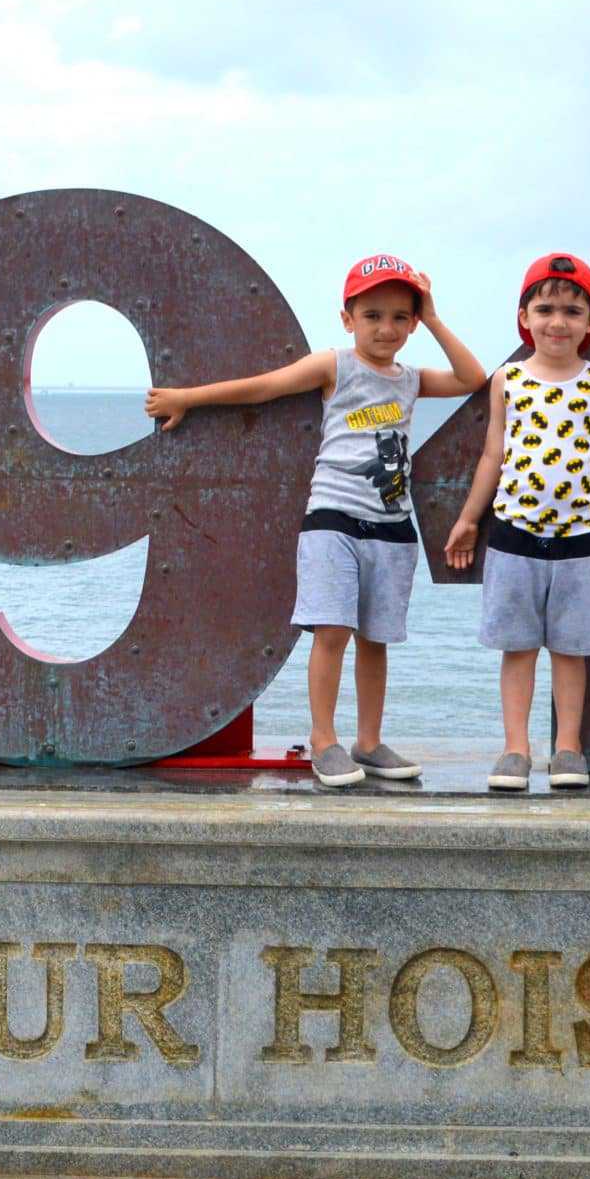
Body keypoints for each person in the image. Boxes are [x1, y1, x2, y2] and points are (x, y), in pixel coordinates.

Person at [144, 255, 486, 788]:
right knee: (333, 632)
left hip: (393, 528)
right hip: (333, 520)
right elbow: (264, 387)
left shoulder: (411, 379)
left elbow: (472, 377)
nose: (386, 328)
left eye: (400, 317)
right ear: (348, 318)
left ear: (414, 323)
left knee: (377, 639)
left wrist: (436, 317)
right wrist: (188, 398)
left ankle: (369, 743)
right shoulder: (335, 365)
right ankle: (324, 740)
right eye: (372, 315)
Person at [443, 252, 590, 793]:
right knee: (518, 647)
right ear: (524, 316)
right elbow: (493, 454)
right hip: (514, 537)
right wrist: (469, 519)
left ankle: (568, 747)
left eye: (572, 311)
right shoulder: (507, 380)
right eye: (546, 308)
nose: (558, 322)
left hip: (581, 539)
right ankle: (515, 748)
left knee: (571, 649)